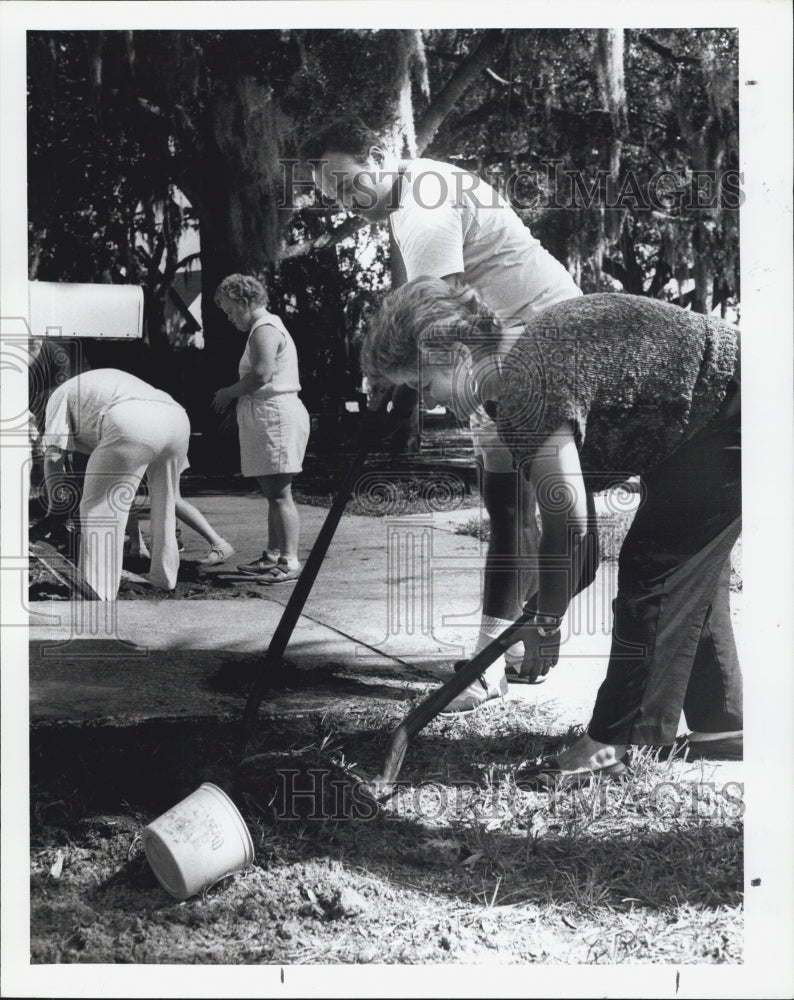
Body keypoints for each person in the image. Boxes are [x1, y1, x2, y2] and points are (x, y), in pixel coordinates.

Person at [361, 279, 743, 778]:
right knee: (689, 567)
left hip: (734, 406)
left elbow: (572, 524)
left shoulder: (525, 383)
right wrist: (543, 607)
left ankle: (615, 743)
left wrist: (546, 620)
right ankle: (724, 723)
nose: (429, 403)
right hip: (718, 409)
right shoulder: (520, 366)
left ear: (452, 352)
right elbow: (574, 533)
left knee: (659, 569)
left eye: (422, 385)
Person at [301, 118, 582, 713]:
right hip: (501, 339)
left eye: (350, 185)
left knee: (517, 509)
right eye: (335, 198)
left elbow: (438, 322)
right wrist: (385, 367)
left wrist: (395, 373)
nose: (348, 204)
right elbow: (417, 311)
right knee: (509, 508)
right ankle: (504, 652)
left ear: (379, 152)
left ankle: (498, 657)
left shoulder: (423, 207)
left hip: (536, 338)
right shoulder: (415, 193)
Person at [42, 368, 233, 600]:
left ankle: (95, 592)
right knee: (166, 501)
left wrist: (55, 510)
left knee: (99, 509)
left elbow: (53, 459)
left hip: (130, 418)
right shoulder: (93, 385)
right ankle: (165, 578)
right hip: (175, 417)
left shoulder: (57, 397)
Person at [212, 274, 310, 584]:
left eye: (229, 310)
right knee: (272, 492)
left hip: (276, 416)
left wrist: (228, 392)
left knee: (280, 493)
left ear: (243, 302)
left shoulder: (264, 329)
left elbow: (261, 375)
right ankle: (272, 555)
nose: (229, 318)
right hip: (267, 415)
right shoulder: (261, 328)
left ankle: (290, 561)